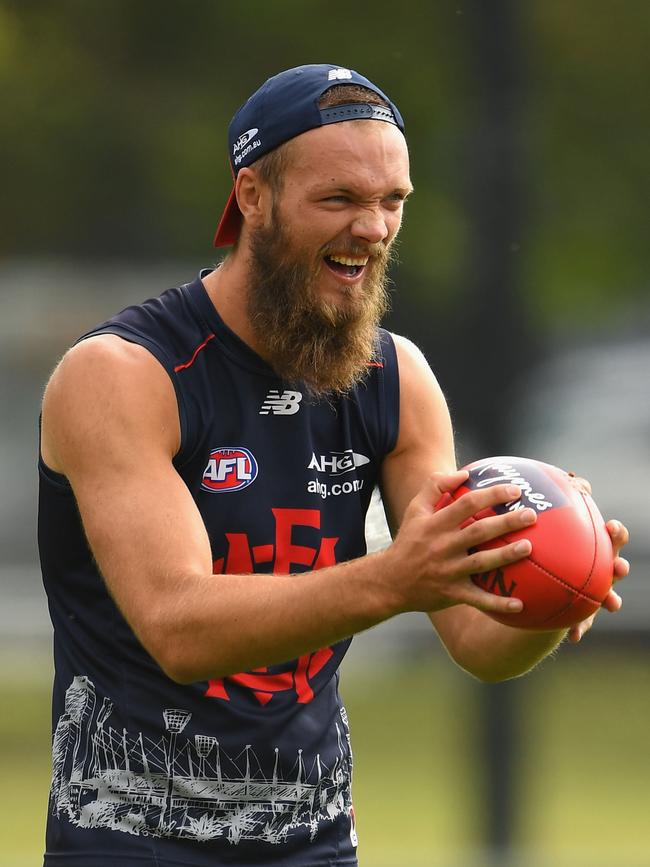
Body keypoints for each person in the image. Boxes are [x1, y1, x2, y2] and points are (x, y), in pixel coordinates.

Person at [39, 63, 628, 866]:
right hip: (130, 842)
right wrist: (393, 577)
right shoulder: (123, 374)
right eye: (341, 199)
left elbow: (474, 637)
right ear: (252, 197)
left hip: (313, 846)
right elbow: (177, 626)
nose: (375, 228)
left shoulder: (396, 378)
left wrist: (553, 588)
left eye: (393, 202)